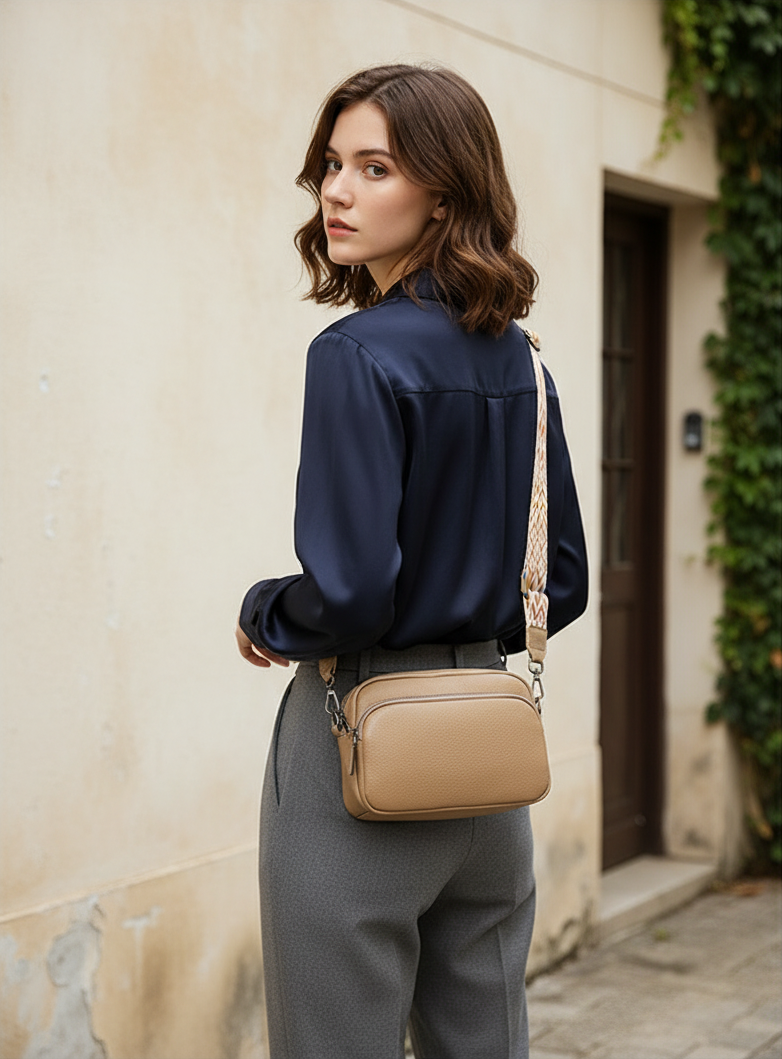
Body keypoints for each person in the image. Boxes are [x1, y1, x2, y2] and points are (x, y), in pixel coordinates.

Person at [236, 64, 588, 1059]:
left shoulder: (353, 354)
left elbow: (348, 596)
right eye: (330, 166)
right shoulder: (522, 361)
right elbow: (559, 582)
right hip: (485, 749)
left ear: (442, 191)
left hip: (359, 749)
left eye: (373, 167)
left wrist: (266, 610)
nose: (336, 192)